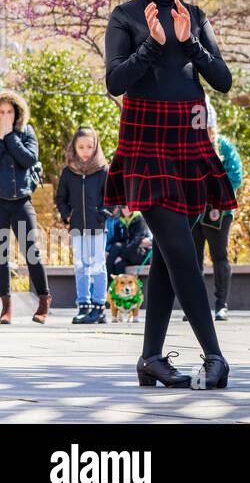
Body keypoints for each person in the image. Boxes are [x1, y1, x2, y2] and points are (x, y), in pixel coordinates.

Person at [104, 0, 235, 387]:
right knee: (180, 250)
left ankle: (151, 359)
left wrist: (191, 43)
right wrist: (154, 45)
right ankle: (215, 356)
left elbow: (223, 80)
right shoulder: (124, 16)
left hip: (191, 137)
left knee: (168, 252)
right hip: (145, 139)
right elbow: (115, 82)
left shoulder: (194, 15)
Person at [0, 89, 51, 325]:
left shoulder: (26, 131)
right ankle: (6, 307)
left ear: (17, 112)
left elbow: (29, 159)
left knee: (32, 252)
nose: (5, 116)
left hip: (22, 201)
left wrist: (10, 137)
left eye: (9, 111)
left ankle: (43, 300)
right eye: (1, 112)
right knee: (1, 256)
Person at [191, 100, 242, 322]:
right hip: (194, 210)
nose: (205, 132)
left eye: (208, 128)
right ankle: (195, 306)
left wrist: (213, 188)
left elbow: (235, 176)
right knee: (193, 259)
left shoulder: (224, 146)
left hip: (219, 211)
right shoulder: (189, 147)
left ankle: (221, 304)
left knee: (219, 256)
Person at [56, 126, 110, 325]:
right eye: (81, 147)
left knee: (97, 264)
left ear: (96, 147)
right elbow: (61, 197)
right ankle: (84, 305)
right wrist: (67, 214)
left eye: (90, 146)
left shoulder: (103, 170)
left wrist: (103, 213)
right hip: (77, 226)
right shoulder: (69, 172)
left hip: (97, 226)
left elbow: (111, 197)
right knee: (80, 265)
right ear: (74, 148)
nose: (86, 151)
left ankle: (98, 306)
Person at [106, 208, 152, 276]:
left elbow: (136, 241)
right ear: (121, 209)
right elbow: (117, 240)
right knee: (119, 264)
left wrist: (121, 256)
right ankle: (119, 285)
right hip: (127, 254)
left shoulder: (140, 220)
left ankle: (106, 277)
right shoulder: (119, 223)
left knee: (117, 246)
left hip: (140, 253)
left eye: (128, 207)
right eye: (124, 208)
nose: (126, 210)